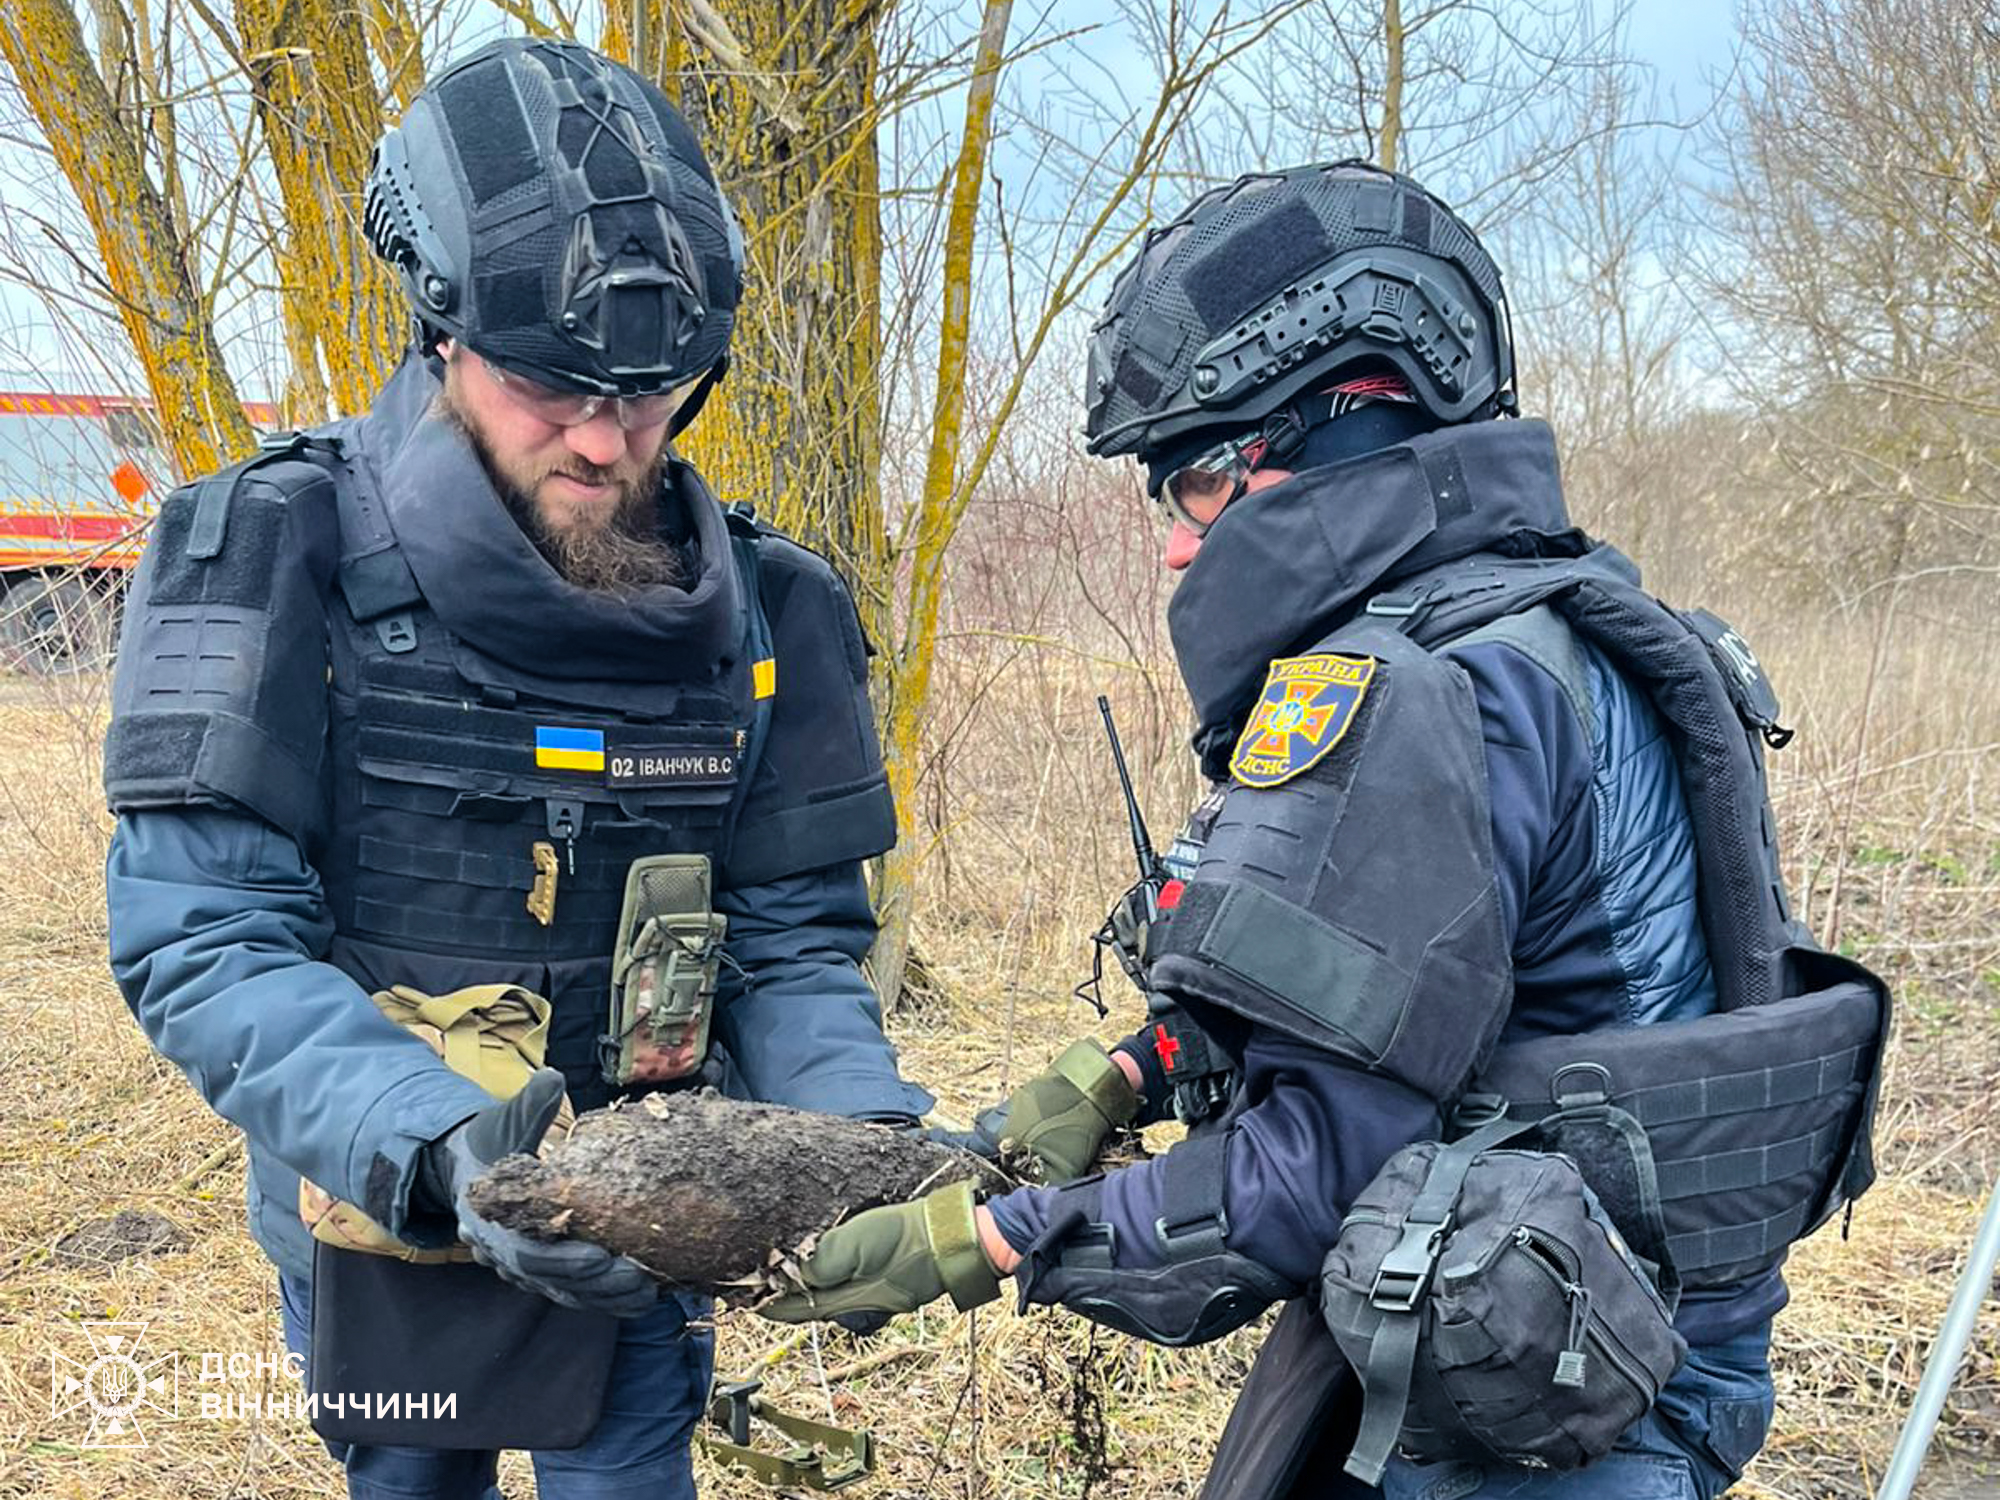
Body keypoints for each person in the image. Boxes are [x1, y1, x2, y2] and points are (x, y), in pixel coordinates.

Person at [760, 161, 1887, 1500]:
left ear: (1341, 423)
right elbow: (1449, 1008)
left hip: (1534, 1406)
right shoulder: (1563, 627)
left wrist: (995, 1240)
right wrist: (1123, 1073)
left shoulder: (1416, 696)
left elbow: (1308, 1177)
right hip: (1633, 1344)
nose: (1175, 547)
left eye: (1194, 481)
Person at [102, 37, 945, 1500]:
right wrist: (446, 1151)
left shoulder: (775, 610)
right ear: (441, 332)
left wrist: (856, 1154)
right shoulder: (269, 551)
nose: (607, 439)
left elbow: (795, 942)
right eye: (554, 385)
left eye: (653, 392)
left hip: (652, 1218)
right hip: (386, 1204)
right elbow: (206, 936)